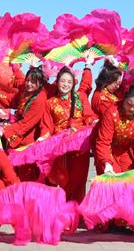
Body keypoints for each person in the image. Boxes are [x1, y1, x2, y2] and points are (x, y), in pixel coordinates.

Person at [40, 65, 96, 203]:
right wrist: (43, 138)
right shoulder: (50, 103)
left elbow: (88, 116)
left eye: (69, 82)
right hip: (59, 147)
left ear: (73, 84)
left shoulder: (80, 97)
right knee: (58, 178)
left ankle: (74, 211)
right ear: (57, 81)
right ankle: (58, 210)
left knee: (78, 180)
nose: (65, 84)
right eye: (63, 81)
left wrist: (92, 122)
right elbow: (47, 126)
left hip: (79, 146)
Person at [0, 66, 48, 181]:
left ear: (40, 84)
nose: (29, 84)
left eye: (33, 81)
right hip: (18, 135)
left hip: (27, 141)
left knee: (26, 178)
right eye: (27, 80)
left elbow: (26, 124)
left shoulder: (39, 99)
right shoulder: (26, 92)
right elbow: (13, 97)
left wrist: (6, 130)